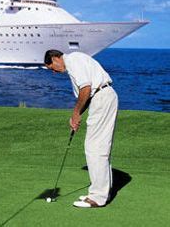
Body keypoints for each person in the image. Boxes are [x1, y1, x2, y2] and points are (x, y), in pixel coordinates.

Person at [44, 49, 118, 208]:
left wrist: (76, 113)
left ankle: (98, 197)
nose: (54, 72)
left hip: (102, 98)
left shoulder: (73, 60)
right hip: (102, 97)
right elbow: (85, 96)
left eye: (52, 68)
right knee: (99, 146)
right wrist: (75, 118)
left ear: (55, 58)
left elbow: (86, 89)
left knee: (94, 147)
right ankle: (102, 191)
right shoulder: (74, 63)